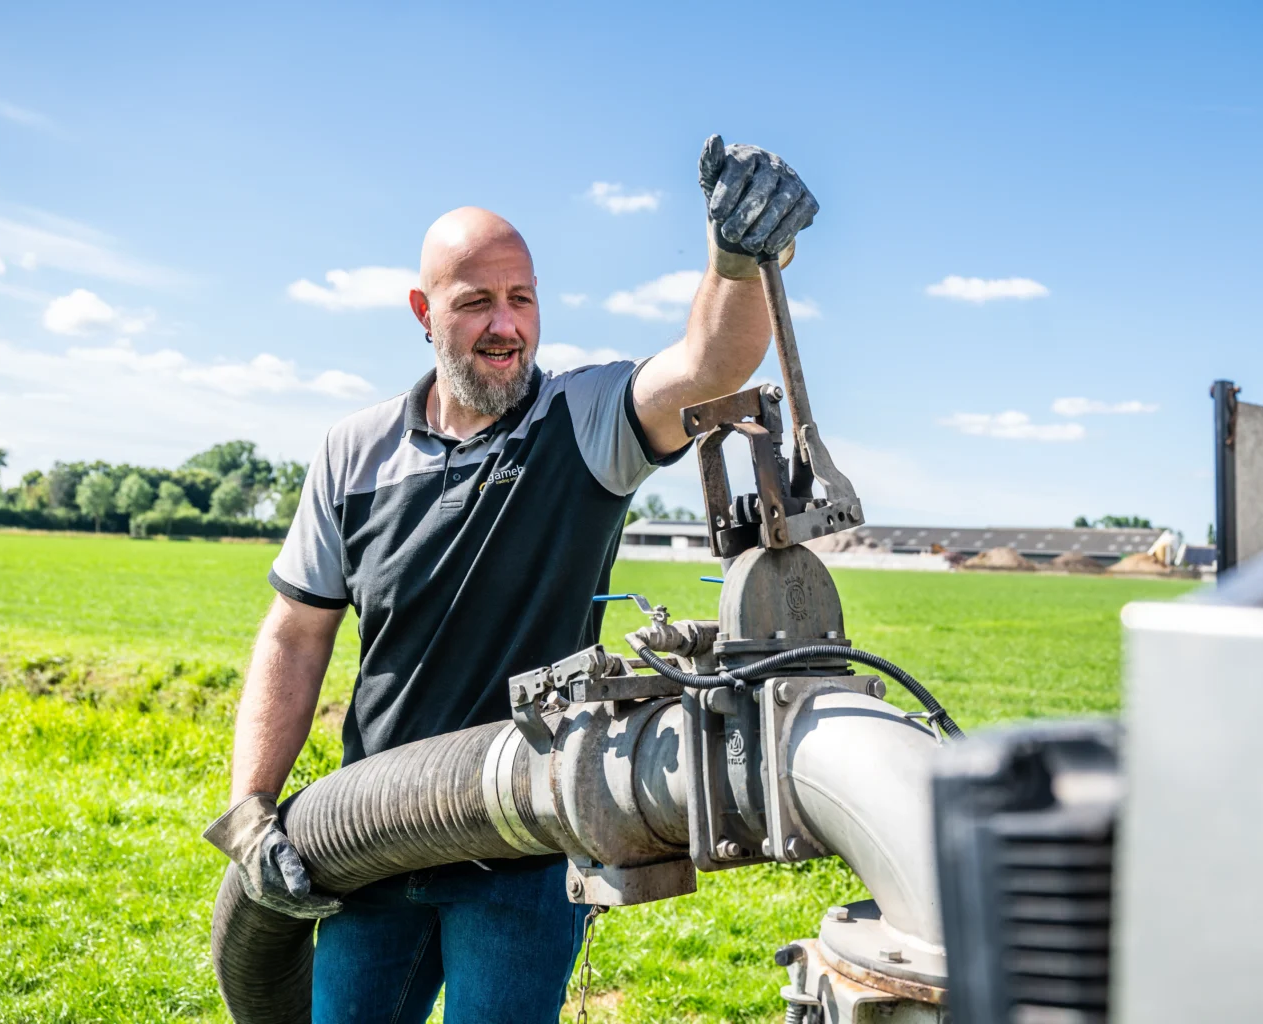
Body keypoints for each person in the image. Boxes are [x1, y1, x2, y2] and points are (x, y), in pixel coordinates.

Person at [202, 135, 819, 1023]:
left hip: (524, 853)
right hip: (371, 841)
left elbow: (709, 366)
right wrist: (252, 806)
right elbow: (296, 635)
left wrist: (736, 257)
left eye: (521, 299)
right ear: (423, 312)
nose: (506, 325)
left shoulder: (584, 423)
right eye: (476, 302)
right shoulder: (355, 451)